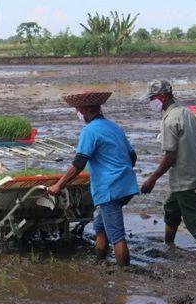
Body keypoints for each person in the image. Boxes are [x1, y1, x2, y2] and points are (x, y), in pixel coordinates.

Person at [48, 91, 139, 266]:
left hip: (110, 189)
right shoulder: (114, 127)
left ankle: (125, 276)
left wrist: (58, 185)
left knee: (117, 235)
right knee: (100, 226)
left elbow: (79, 162)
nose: (78, 114)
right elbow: (132, 156)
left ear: (85, 110)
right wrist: (120, 171)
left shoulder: (89, 131)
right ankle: (100, 261)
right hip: (126, 186)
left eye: (78, 110)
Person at [139, 80, 196, 257]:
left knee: (194, 220)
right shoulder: (186, 112)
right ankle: (169, 243)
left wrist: (152, 179)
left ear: (163, 97)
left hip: (182, 176)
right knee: (171, 209)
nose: (151, 102)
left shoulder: (170, 120)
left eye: (153, 98)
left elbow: (170, 156)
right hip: (192, 170)